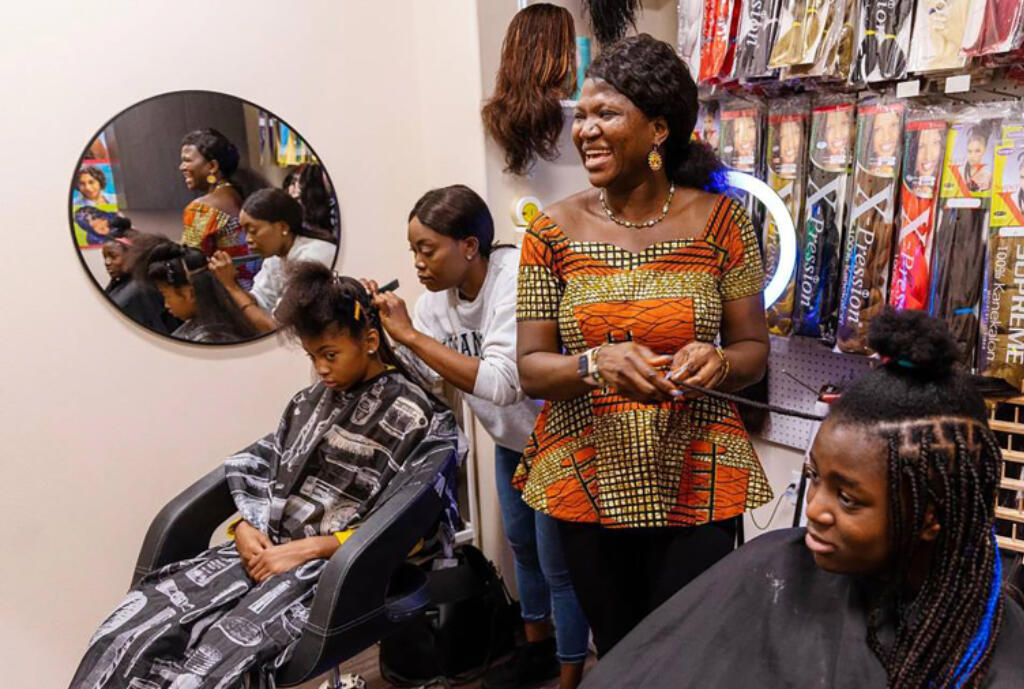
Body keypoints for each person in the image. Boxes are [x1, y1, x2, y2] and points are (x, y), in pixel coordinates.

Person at [579, 310, 1024, 689]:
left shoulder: (1019, 671)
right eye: (815, 479)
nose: (815, 509)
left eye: (848, 498)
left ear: (931, 517)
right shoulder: (778, 563)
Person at [69, 263, 462, 689]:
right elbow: (276, 478)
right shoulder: (309, 403)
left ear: (369, 341)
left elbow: (416, 526)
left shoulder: (415, 415)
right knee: (130, 632)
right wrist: (244, 528)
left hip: (336, 569)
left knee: (208, 666)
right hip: (264, 551)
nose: (322, 369)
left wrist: (309, 550)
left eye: (330, 354)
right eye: (314, 357)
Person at [515, 34, 772, 656]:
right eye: (581, 116)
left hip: (698, 470)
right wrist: (593, 362)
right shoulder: (550, 230)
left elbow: (752, 349)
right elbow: (530, 368)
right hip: (587, 474)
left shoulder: (723, 221)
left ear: (658, 130)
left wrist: (720, 361)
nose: (586, 131)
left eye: (606, 114)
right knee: (623, 651)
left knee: (691, 651)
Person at [368, 184, 589, 689]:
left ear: (469, 246)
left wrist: (412, 337)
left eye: (427, 248)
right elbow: (424, 378)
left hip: (563, 440)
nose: (418, 262)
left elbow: (501, 384)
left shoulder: (515, 282)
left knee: (558, 567)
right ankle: (539, 652)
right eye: (412, 251)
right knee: (522, 550)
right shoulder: (434, 305)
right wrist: (379, 329)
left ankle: (573, 674)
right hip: (512, 442)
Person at [209, 188, 337, 334]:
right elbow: (258, 302)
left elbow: (275, 329)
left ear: (282, 227)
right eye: (245, 232)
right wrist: (228, 279)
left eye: (253, 231)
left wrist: (231, 287)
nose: (248, 240)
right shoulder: (275, 258)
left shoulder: (312, 257)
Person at [178, 128, 261, 288]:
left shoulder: (202, 209)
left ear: (212, 166)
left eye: (187, 160)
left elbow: (189, 265)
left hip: (228, 298)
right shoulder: (243, 193)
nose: (182, 167)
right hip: (257, 294)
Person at [137, 238, 258, 344]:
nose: (166, 304)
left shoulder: (209, 341)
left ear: (189, 293)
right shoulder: (223, 324)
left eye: (166, 295)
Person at [102, 222, 179, 335]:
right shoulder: (121, 284)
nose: (107, 263)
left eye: (113, 256)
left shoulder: (142, 290)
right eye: (105, 257)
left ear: (133, 254)